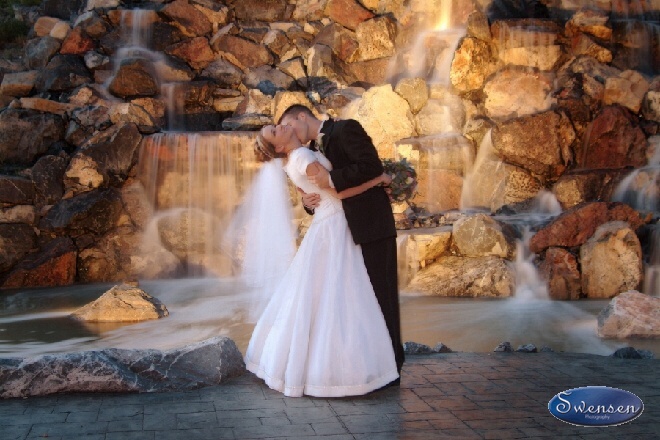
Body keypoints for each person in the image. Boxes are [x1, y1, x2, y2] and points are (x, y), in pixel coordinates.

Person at [243, 124, 399, 397]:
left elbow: (315, 192)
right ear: (279, 147)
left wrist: (311, 198)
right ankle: (343, 368)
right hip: (336, 224)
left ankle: (314, 363)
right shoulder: (303, 156)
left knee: (324, 296)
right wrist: (380, 179)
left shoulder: (294, 160)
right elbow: (335, 191)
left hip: (327, 223)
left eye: (275, 125)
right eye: (274, 131)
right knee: (343, 295)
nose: (279, 126)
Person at [278, 105, 405, 376]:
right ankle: (366, 365)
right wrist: (308, 202)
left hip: (371, 225)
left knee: (382, 297)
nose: (288, 131)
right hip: (340, 232)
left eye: (289, 124)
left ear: (302, 116)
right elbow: (317, 191)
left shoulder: (346, 128)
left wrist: (330, 178)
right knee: (359, 303)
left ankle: (392, 367)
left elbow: (371, 166)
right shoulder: (309, 150)